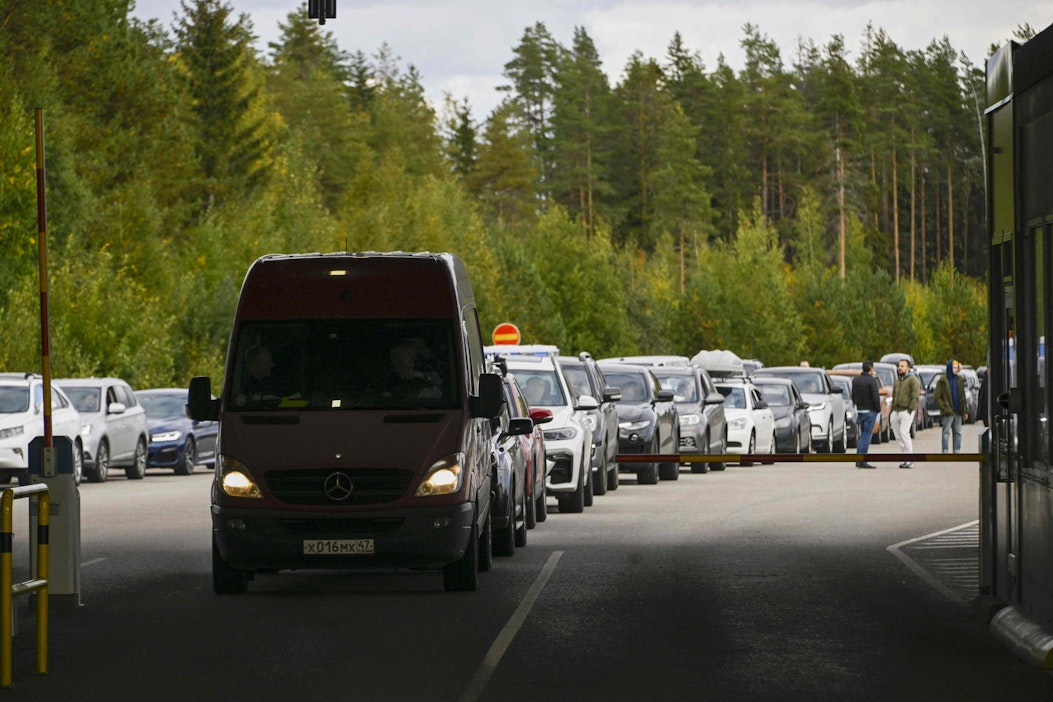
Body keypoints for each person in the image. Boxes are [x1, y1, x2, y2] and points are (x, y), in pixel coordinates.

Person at [890, 358, 921, 468]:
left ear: (908, 368)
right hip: (896, 411)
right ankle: (905, 458)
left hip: (906, 411)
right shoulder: (898, 381)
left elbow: (915, 396)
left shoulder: (912, 380)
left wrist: (910, 410)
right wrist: (892, 409)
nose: (900, 368)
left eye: (902, 366)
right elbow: (893, 395)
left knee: (904, 433)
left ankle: (910, 459)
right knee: (898, 436)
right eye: (899, 366)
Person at [851, 360, 882, 469]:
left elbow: (853, 395)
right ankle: (863, 460)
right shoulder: (871, 381)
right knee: (866, 436)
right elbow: (875, 397)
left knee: (863, 435)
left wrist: (857, 405)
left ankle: (858, 459)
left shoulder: (855, 380)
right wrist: (878, 409)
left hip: (860, 410)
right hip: (870, 411)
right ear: (871, 369)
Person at [934, 359, 967, 452]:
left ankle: (957, 450)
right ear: (949, 368)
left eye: (957, 367)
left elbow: (962, 397)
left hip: (958, 411)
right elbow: (937, 397)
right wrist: (944, 406)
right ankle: (945, 450)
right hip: (947, 412)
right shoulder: (942, 381)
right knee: (946, 432)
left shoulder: (959, 380)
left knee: (958, 432)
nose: (956, 369)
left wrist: (965, 411)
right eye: (954, 367)